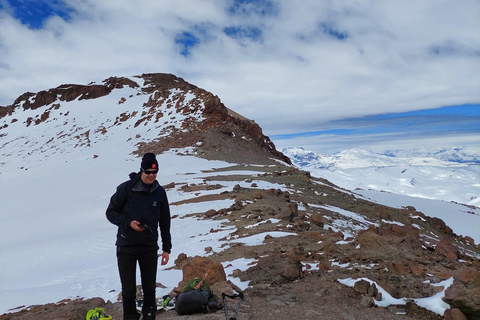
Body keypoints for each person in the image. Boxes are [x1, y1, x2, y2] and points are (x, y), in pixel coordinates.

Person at [106, 153, 172, 320]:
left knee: (149, 287)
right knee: (128, 290)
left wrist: (166, 248)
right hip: (126, 245)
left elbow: (165, 221)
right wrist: (129, 223)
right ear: (141, 171)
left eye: (155, 172)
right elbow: (110, 212)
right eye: (148, 171)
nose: (151, 175)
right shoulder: (126, 188)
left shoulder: (160, 192)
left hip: (149, 246)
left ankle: (149, 316)